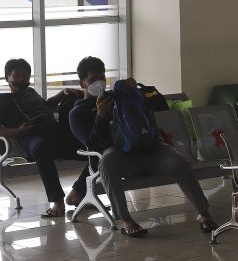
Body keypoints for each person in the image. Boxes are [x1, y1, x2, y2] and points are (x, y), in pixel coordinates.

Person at [68, 56, 218, 237]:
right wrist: (100, 116)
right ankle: (125, 219)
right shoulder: (77, 113)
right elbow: (91, 143)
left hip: (145, 149)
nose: (98, 83)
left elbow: (147, 114)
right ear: (82, 83)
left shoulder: (117, 96)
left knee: (178, 161)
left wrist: (134, 93)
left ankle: (203, 213)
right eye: (92, 80)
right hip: (119, 157)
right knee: (107, 160)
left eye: (102, 78)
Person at [0, 58, 89, 217]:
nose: (22, 79)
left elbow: (47, 106)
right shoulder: (3, 101)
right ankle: (57, 200)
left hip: (54, 133)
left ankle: (78, 192)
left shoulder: (31, 92)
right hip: (30, 137)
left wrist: (63, 93)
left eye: (26, 76)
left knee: (93, 149)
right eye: (17, 75)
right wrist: (16, 131)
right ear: (7, 77)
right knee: (40, 147)